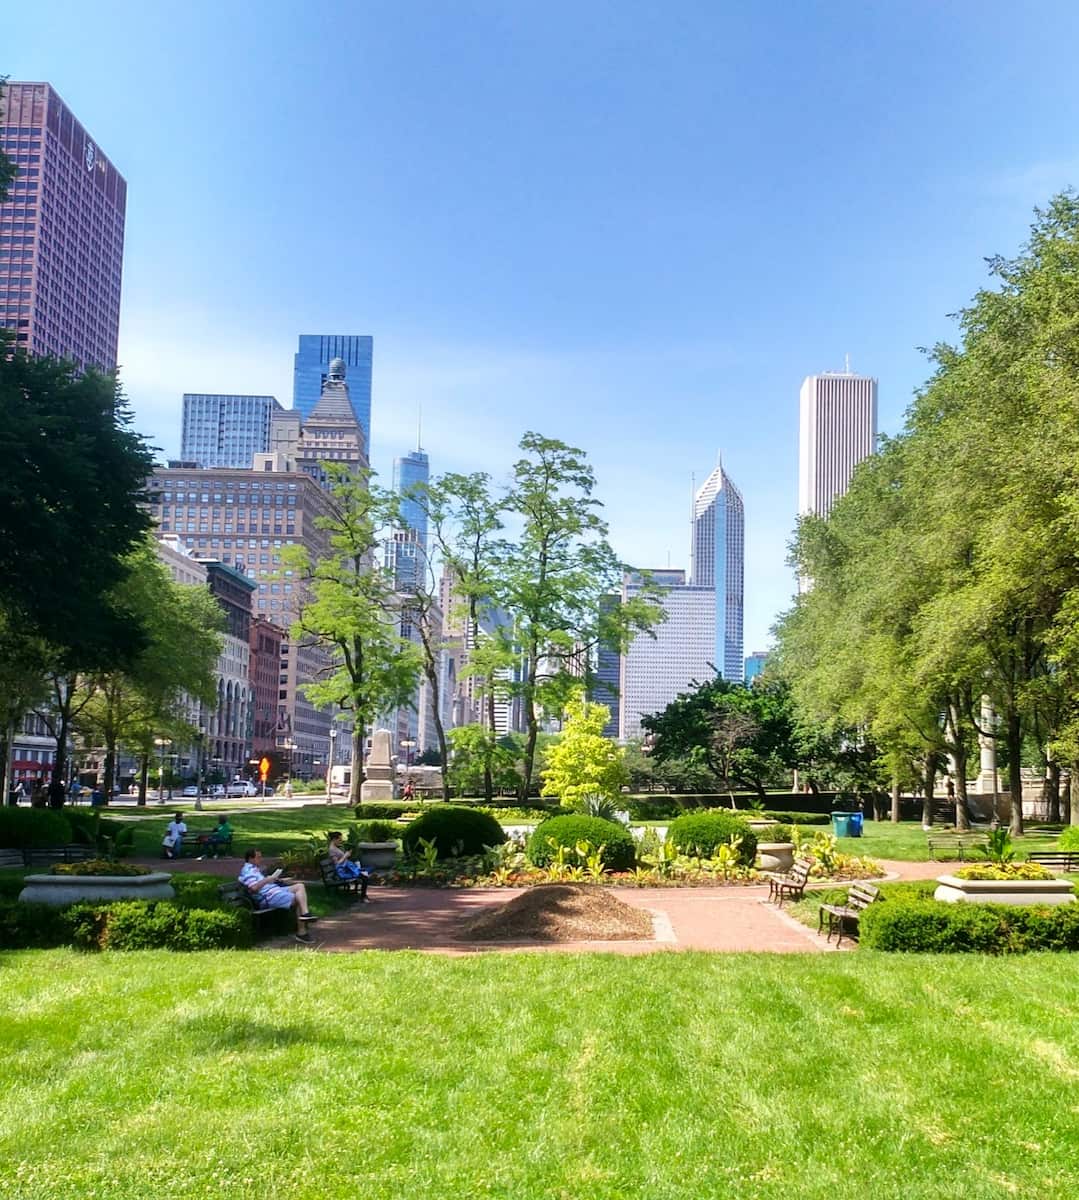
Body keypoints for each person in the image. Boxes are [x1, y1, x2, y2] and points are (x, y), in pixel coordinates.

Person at [238, 849, 318, 942]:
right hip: (268, 897)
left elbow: (262, 883)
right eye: (258, 857)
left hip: (274, 891)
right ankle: (302, 932)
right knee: (298, 899)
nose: (261, 859)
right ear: (250, 859)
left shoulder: (254, 869)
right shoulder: (247, 871)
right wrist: (267, 880)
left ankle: (305, 914)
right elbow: (254, 888)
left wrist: (275, 880)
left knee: (300, 886)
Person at [327, 831, 370, 900]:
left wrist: (346, 855)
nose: (341, 841)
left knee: (365, 874)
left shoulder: (335, 847)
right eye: (339, 840)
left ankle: (363, 896)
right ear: (334, 839)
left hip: (346, 869)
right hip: (342, 872)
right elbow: (337, 864)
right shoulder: (332, 849)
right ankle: (363, 897)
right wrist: (345, 856)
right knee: (365, 877)